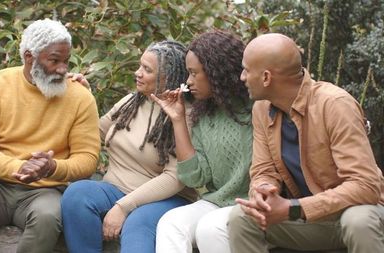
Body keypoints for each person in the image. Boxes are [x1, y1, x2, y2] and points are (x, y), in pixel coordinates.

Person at [0, 18, 100, 253]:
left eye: (66, 61)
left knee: (48, 215)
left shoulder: (80, 97)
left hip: (45, 191)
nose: (63, 69)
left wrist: (51, 167)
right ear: (29, 57)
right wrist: (20, 167)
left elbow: (87, 159)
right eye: (54, 60)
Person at [227, 33, 384, 253]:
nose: (242, 77)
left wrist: (294, 208)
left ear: (266, 77)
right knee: (241, 218)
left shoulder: (335, 105)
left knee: (358, 221)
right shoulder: (262, 109)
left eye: (246, 70)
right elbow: (263, 170)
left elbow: (366, 186)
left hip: (358, 215)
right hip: (313, 222)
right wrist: (262, 191)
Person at [60, 40, 197, 253]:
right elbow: (91, 133)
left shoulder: (183, 115)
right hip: (114, 190)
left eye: (147, 69)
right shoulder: (130, 103)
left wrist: (123, 207)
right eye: (140, 65)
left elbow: (175, 178)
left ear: (167, 77)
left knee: (138, 222)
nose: (138, 73)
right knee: (77, 194)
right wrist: (83, 97)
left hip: (165, 199)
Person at [152, 30, 252, 253]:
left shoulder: (256, 109)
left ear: (217, 72)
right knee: (171, 223)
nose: (188, 81)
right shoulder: (203, 114)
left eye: (194, 73)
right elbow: (194, 176)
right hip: (217, 202)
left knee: (210, 228)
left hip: (250, 204)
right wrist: (178, 120)